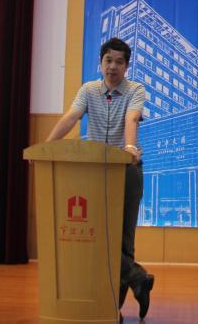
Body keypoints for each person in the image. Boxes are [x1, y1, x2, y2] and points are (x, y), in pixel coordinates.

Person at [45, 37, 154, 320]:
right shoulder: (89, 90)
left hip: (127, 170)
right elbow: (72, 117)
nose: (112, 66)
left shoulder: (136, 89)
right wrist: (47, 145)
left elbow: (132, 119)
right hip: (95, 173)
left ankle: (112, 306)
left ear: (126, 66)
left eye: (119, 62)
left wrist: (129, 147)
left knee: (124, 240)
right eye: (108, 60)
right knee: (99, 237)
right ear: (100, 63)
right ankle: (138, 279)